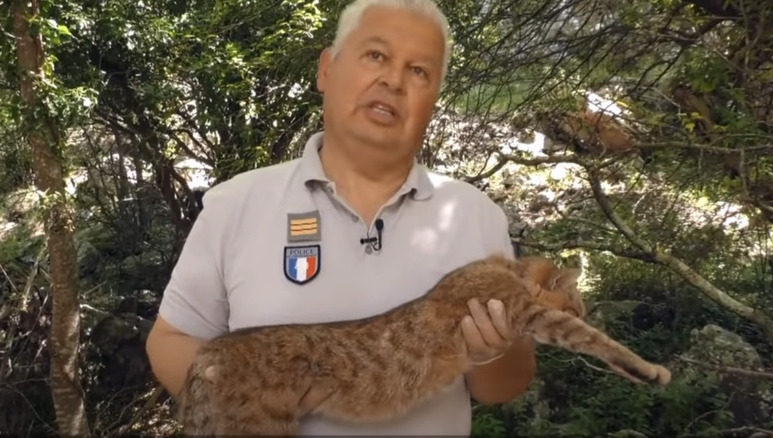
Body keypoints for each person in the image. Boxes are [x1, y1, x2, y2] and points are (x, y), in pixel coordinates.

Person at [145, 0, 537, 434]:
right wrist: (235, 397)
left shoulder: (474, 216)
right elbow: (171, 340)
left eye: (419, 71)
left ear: (433, 103)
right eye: (376, 56)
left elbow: (502, 388)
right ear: (327, 70)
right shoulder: (235, 204)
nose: (393, 80)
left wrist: (497, 348)